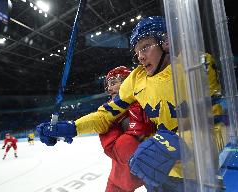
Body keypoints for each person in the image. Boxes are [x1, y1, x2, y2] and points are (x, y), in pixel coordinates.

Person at [36, 16, 222, 191]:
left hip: (204, 171)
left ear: (166, 42)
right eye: (137, 52)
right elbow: (106, 115)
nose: (140, 57)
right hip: (163, 173)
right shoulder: (136, 79)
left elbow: (218, 123)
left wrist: (179, 142)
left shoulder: (196, 65)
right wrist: (72, 127)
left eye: (145, 47)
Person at [99, 66, 156, 192]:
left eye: (113, 83)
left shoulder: (150, 101)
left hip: (156, 170)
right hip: (122, 178)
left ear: (127, 83)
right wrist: (136, 133)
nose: (109, 89)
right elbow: (114, 150)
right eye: (109, 85)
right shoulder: (106, 114)